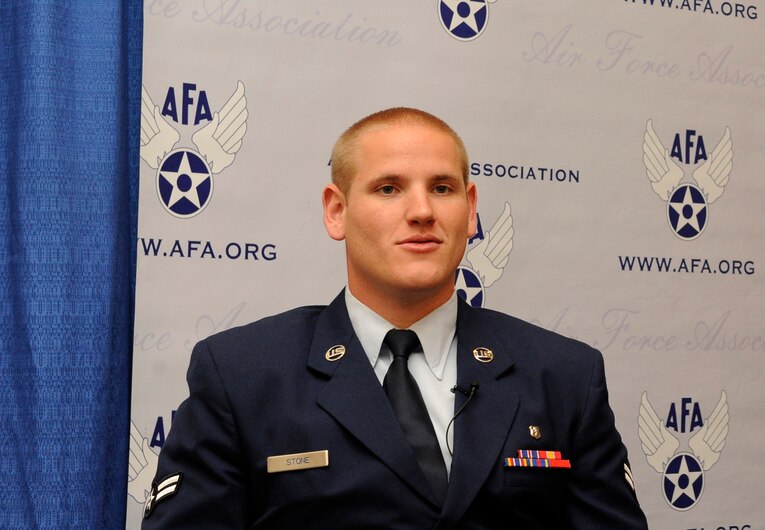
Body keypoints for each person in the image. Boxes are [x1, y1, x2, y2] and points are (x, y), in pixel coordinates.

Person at [141, 107, 648, 529]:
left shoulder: (563, 375)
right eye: (388, 189)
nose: (422, 211)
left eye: (443, 189)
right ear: (336, 211)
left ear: (471, 211)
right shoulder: (242, 375)